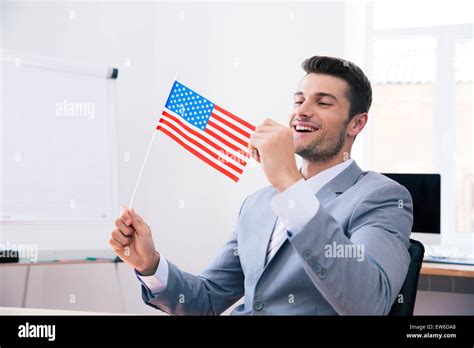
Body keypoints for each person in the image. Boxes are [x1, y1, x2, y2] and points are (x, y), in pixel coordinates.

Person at [109, 56, 413, 315]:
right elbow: (207, 299)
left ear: (357, 123)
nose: (302, 111)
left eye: (323, 102)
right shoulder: (257, 204)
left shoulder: (381, 197)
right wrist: (150, 265)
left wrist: (289, 184)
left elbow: (368, 303)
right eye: (299, 100)